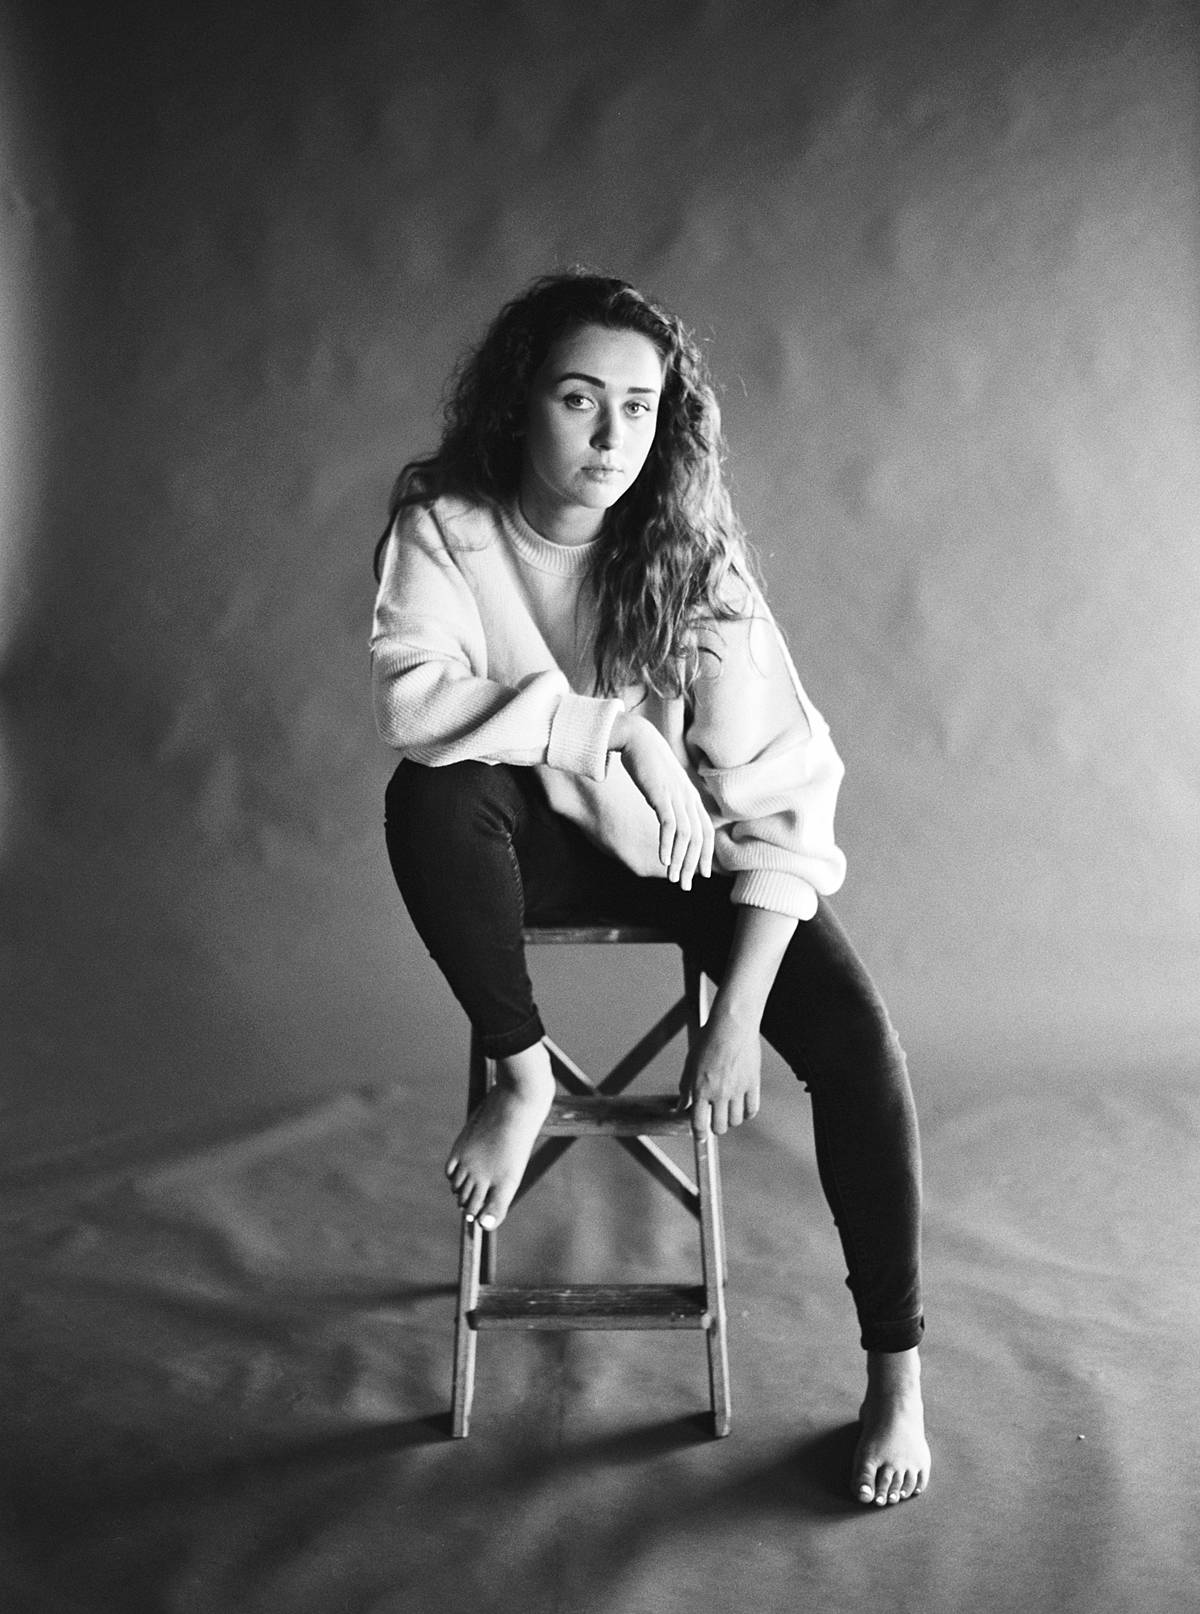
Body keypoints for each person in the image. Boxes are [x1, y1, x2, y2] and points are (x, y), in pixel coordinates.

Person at [371, 270, 931, 1506]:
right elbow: (416, 707)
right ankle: (522, 1071)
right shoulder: (448, 526)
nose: (614, 436)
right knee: (429, 796)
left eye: (640, 405)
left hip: (686, 850)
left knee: (859, 1046)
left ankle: (896, 1374)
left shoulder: (687, 546)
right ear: (523, 403)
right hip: (518, 834)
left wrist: (736, 1021)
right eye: (581, 400)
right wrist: (615, 731)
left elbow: (784, 790)